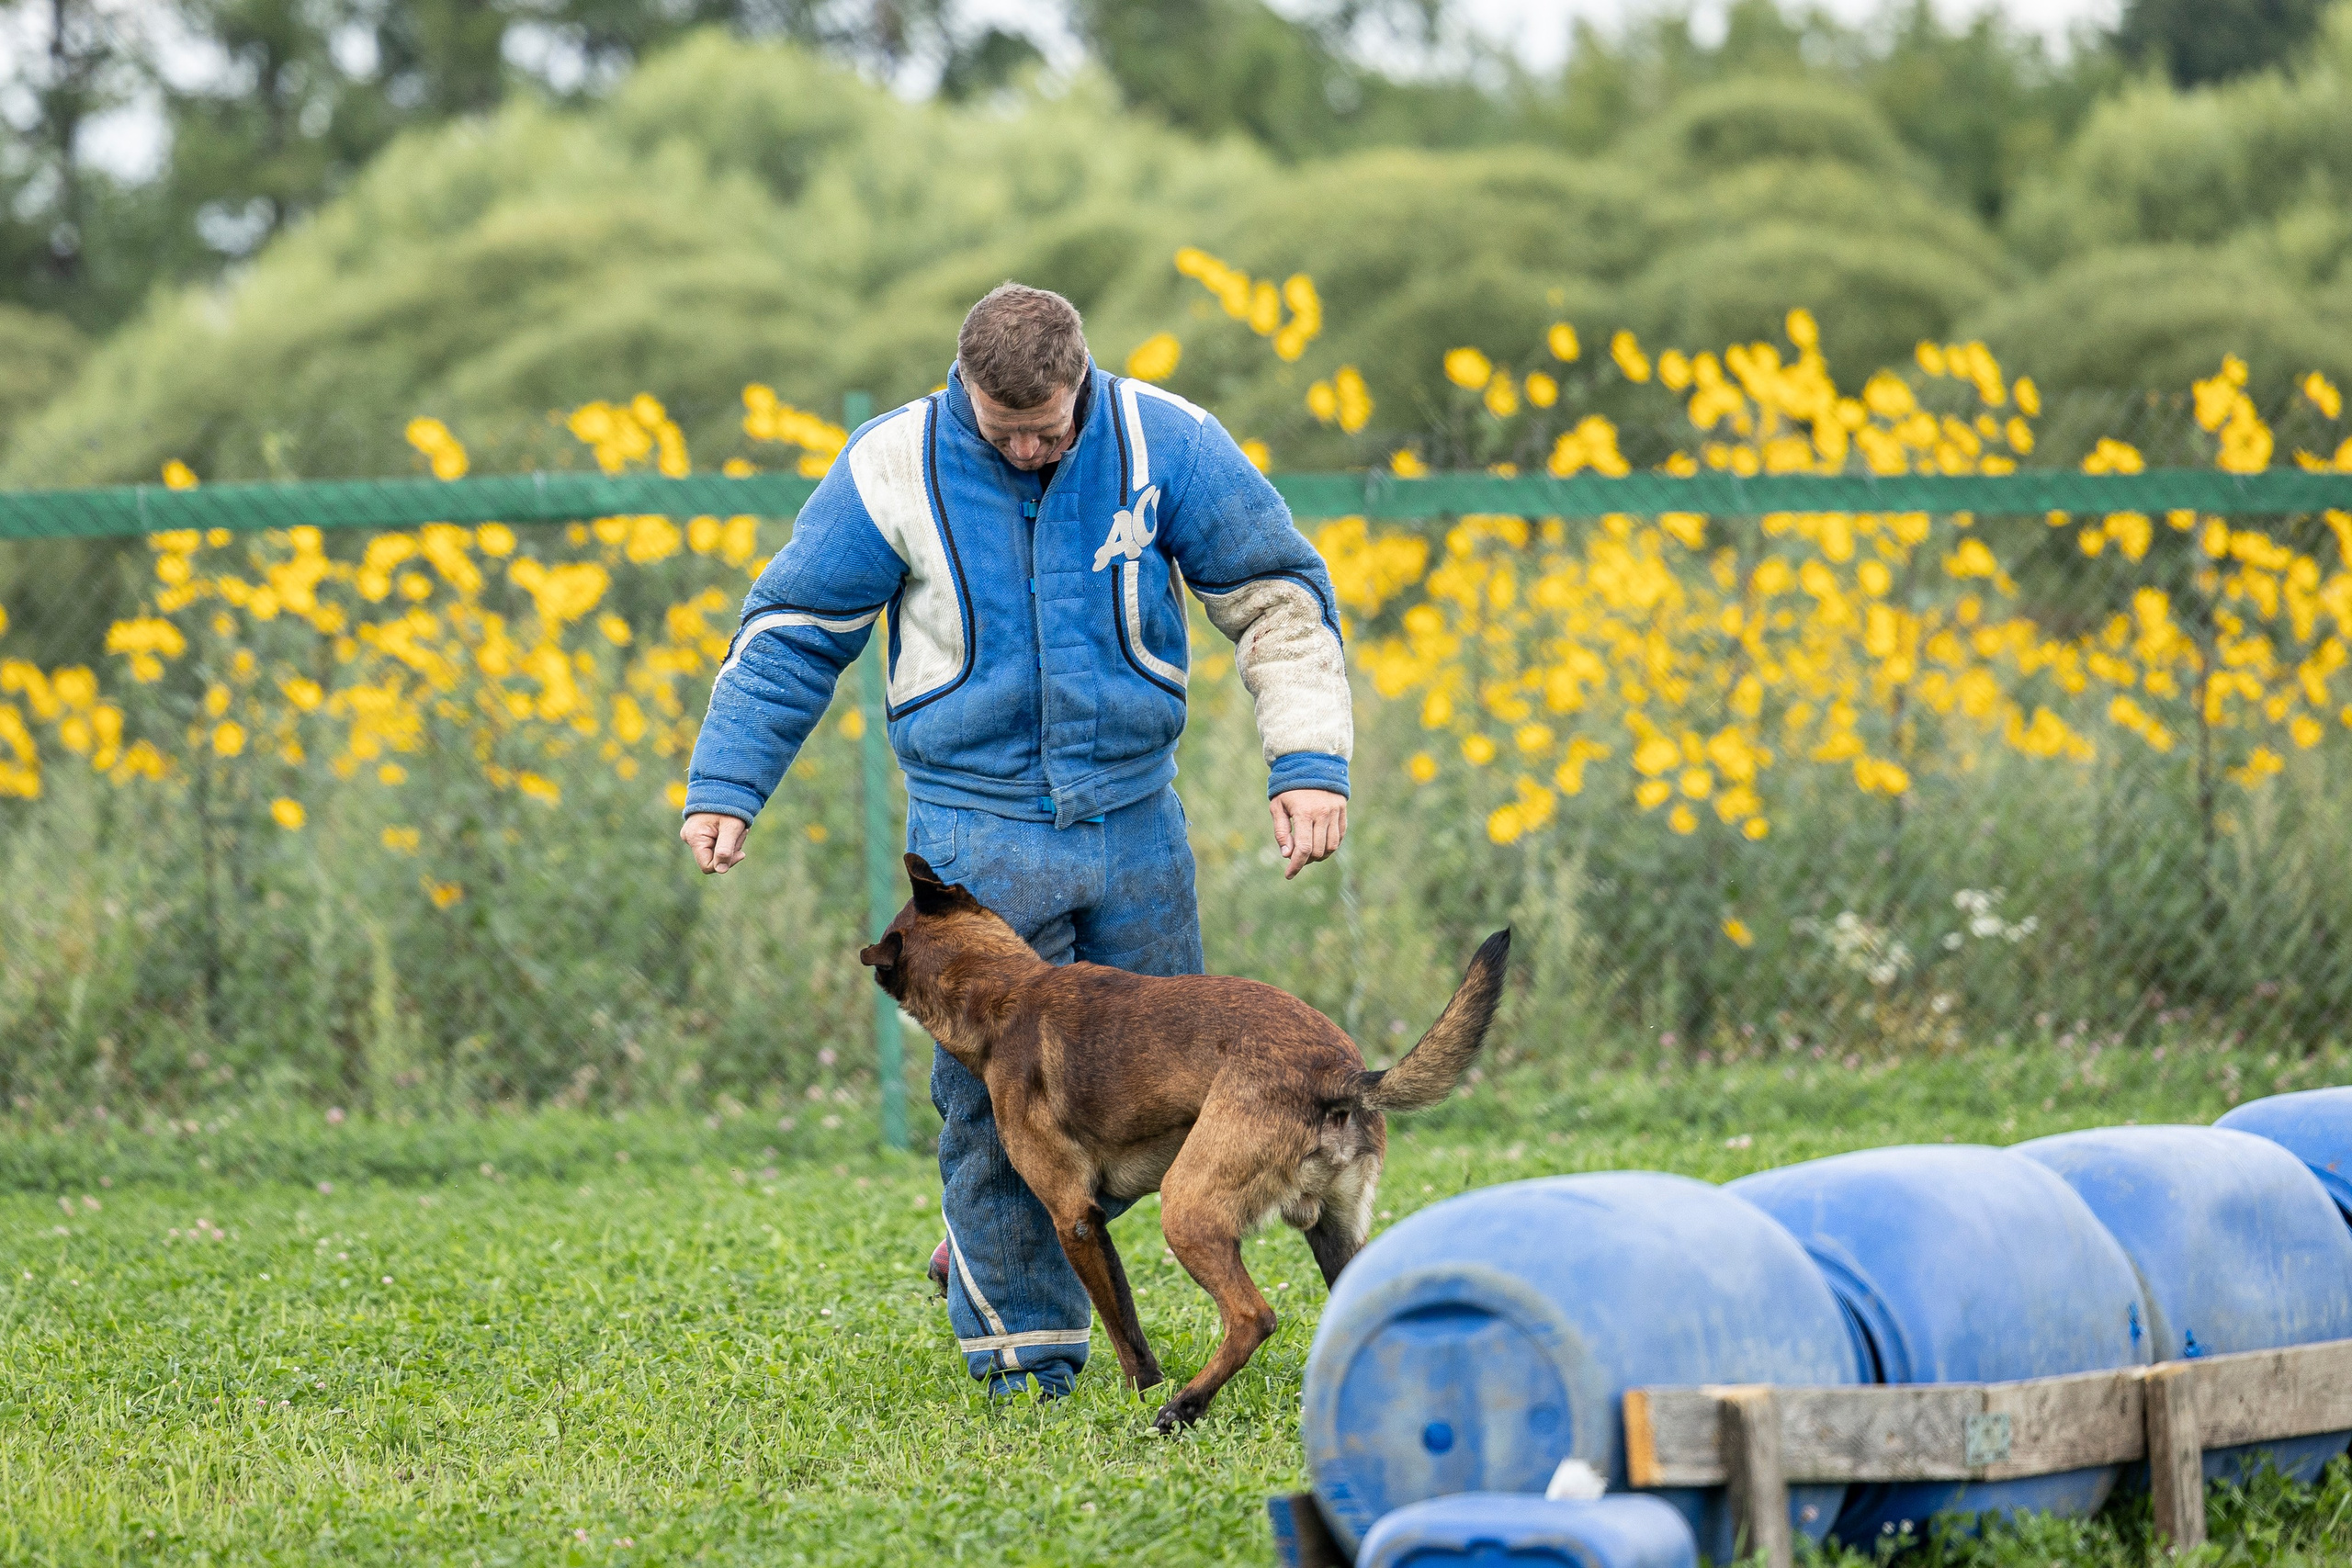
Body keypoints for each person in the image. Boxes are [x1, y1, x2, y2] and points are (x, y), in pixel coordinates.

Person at [678, 282, 1353, 1398]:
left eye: (1049, 428)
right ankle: (1024, 1356)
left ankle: (993, 1235)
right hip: (974, 834)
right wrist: (726, 786)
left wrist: (1309, 762)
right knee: (988, 1113)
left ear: (1080, 378)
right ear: (965, 389)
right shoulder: (890, 464)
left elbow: (1276, 597)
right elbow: (793, 633)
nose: (1031, 450)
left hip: (1134, 818)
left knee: (1160, 1086)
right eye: (1006, 432)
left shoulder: (1167, 440)